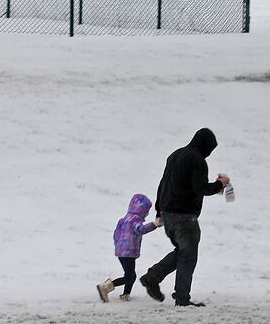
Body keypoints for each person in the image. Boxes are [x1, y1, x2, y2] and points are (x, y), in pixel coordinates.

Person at [140, 127, 231, 307]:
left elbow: (163, 184)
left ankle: (153, 276)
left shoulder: (175, 155)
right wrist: (219, 185)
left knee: (183, 252)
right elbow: (200, 188)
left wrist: (160, 210)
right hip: (185, 216)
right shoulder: (197, 160)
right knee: (188, 256)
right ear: (206, 145)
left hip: (168, 214)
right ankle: (182, 298)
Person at [96, 193, 163, 302]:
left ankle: (126, 294)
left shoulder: (123, 219)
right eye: (146, 211)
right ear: (141, 210)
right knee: (129, 277)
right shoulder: (135, 220)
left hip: (121, 252)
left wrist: (119, 246)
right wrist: (154, 224)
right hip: (129, 253)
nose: (147, 213)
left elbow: (116, 235)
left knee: (131, 275)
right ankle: (105, 287)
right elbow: (140, 229)